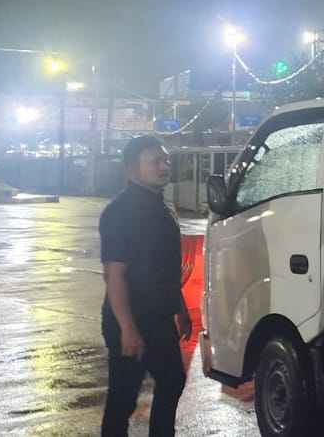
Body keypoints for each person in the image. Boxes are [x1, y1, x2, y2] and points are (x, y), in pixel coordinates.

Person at [99, 135, 192, 437]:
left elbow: (165, 265)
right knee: (123, 398)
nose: (165, 167)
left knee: (173, 380)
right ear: (132, 168)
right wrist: (127, 328)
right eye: (156, 161)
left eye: (166, 160)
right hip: (131, 318)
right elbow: (114, 274)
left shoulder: (161, 206)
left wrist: (180, 308)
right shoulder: (119, 212)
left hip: (159, 318)